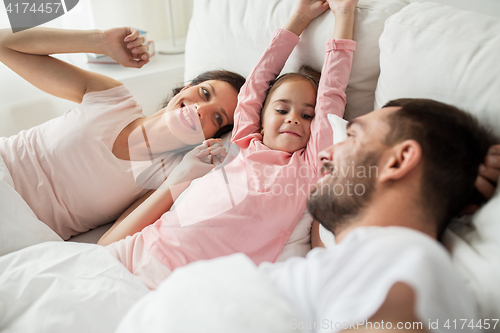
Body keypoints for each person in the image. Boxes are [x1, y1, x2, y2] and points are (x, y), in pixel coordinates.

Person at [98, 0, 358, 289]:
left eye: (306, 115)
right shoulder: (243, 144)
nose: (293, 119)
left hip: (188, 286)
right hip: (142, 249)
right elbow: (257, 82)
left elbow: (332, 97)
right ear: (259, 116)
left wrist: (345, 14)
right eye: (282, 110)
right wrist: (298, 18)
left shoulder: (309, 166)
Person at [259, 98, 499, 332]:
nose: (325, 153)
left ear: (399, 161)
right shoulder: (347, 261)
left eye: (351, 136)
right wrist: (452, 185)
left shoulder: (402, 257)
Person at [0, 27, 245, 240]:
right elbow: (4, 44)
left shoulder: (164, 176)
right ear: (187, 88)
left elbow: (109, 244)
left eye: (217, 117)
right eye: (204, 93)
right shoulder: (113, 98)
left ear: (212, 136)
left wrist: (180, 178)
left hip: (18, 227)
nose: (200, 109)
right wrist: (98, 40)